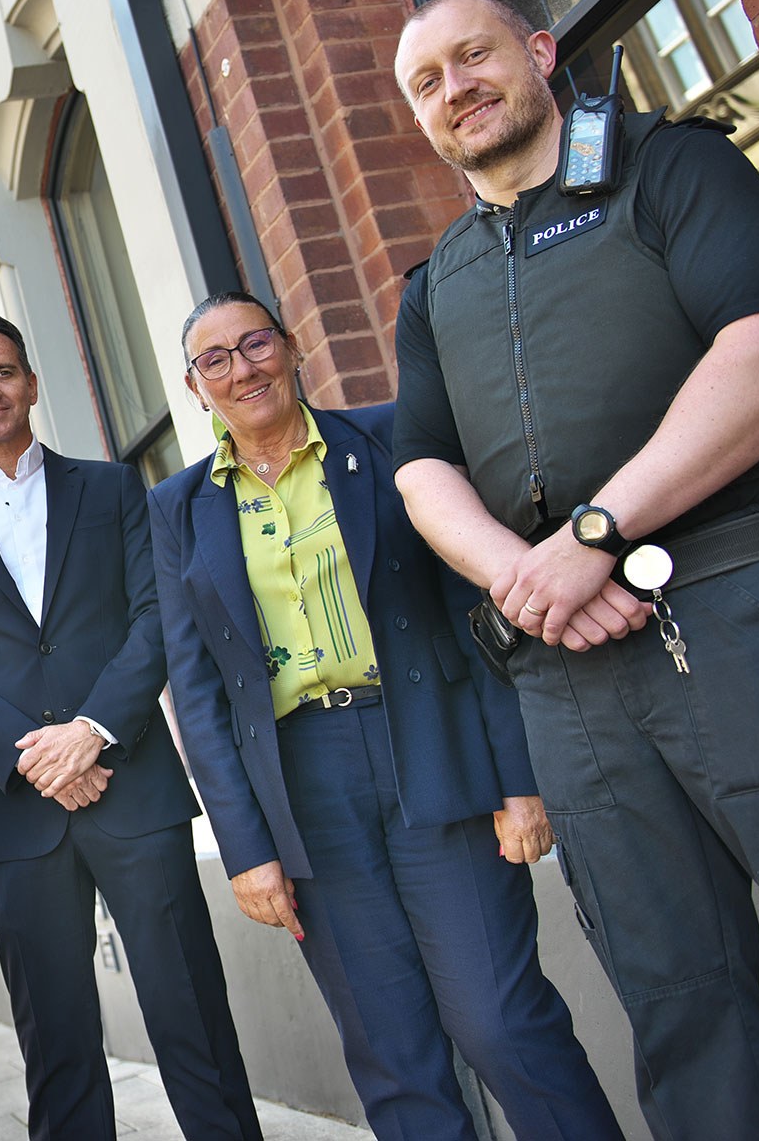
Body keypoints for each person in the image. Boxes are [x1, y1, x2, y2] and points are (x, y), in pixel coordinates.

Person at [391, 0, 759, 1138]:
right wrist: (524, 575)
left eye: (473, 57)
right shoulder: (432, 282)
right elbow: (420, 474)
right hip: (569, 677)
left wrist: (589, 539)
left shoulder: (671, 167)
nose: (453, 89)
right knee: (679, 1016)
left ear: (539, 55)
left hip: (746, 611)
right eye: (425, 83)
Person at [149, 290, 620, 1141]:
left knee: (501, 1020)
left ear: (292, 347)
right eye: (213, 359)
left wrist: (519, 778)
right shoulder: (178, 509)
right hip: (303, 788)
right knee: (391, 1052)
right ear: (194, 385)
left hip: (429, 749)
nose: (241, 368)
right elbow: (199, 690)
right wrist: (247, 849)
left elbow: (471, 610)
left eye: (254, 344)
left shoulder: (392, 440)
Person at [0, 310, 262, 1141]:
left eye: (3, 372)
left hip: (133, 788)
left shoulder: (110, 488)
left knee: (193, 1020)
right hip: (19, 817)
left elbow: (155, 616)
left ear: (30, 381)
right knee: (56, 1047)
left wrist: (92, 731)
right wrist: (41, 760)